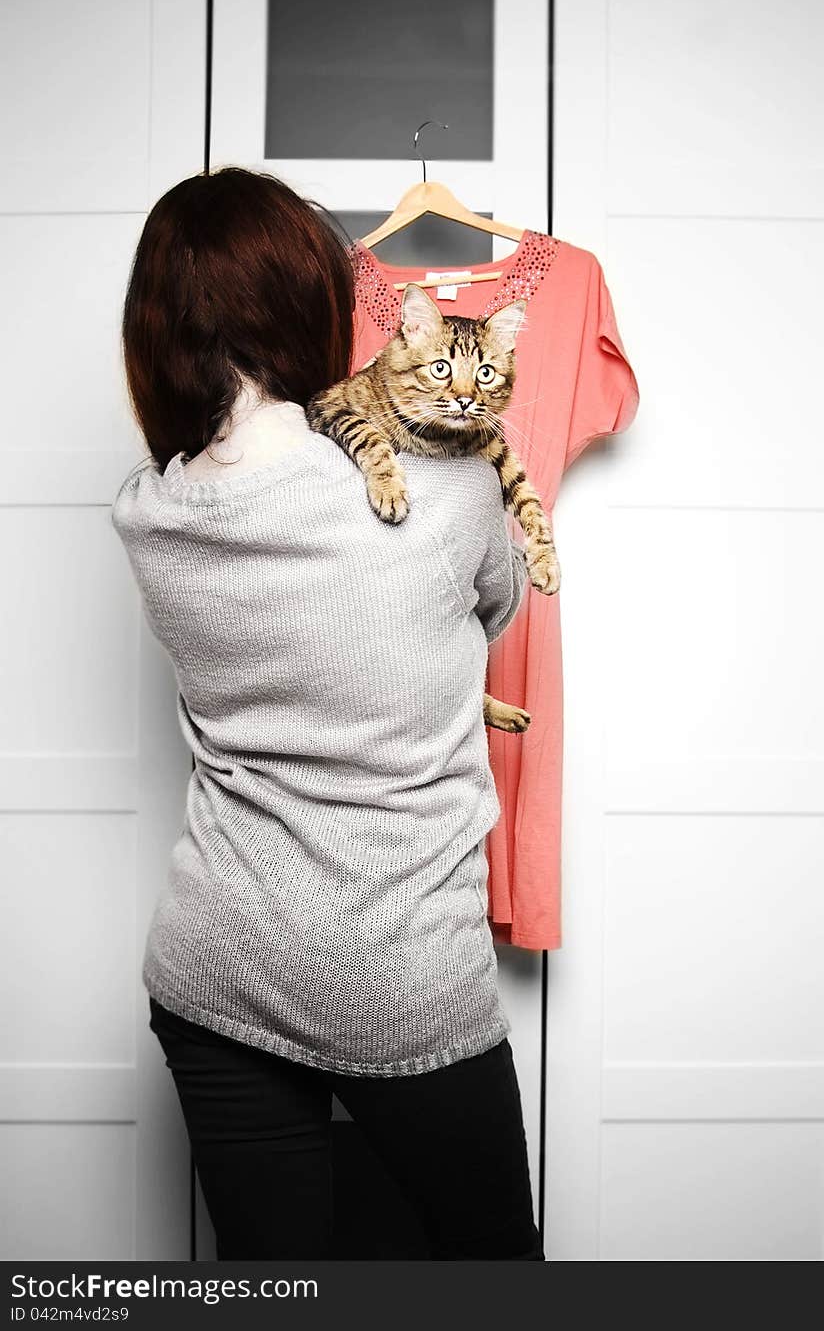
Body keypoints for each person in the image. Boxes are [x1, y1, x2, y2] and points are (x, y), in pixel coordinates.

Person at [111, 166, 543, 1261]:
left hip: (213, 964)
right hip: (399, 974)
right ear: (313, 311)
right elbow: (494, 607)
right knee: (495, 1264)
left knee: (274, 1288)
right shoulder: (446, 496)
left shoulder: (150, 514)